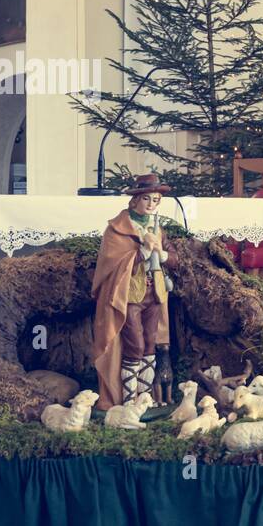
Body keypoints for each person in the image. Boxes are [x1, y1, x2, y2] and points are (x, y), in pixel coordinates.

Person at [91, 174, 173, 410]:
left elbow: (172, 256)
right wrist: (144, 252)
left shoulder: (157, 228)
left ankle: (143, 398)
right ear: (134, 200)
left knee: (149, 344)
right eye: (146, 198)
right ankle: (127, 398)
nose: (151, 204)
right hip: (130, 294)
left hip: (154, 293)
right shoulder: (117, 229)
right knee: (134, 345)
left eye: (156, 200)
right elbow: (112, 263)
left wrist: (162, 253)